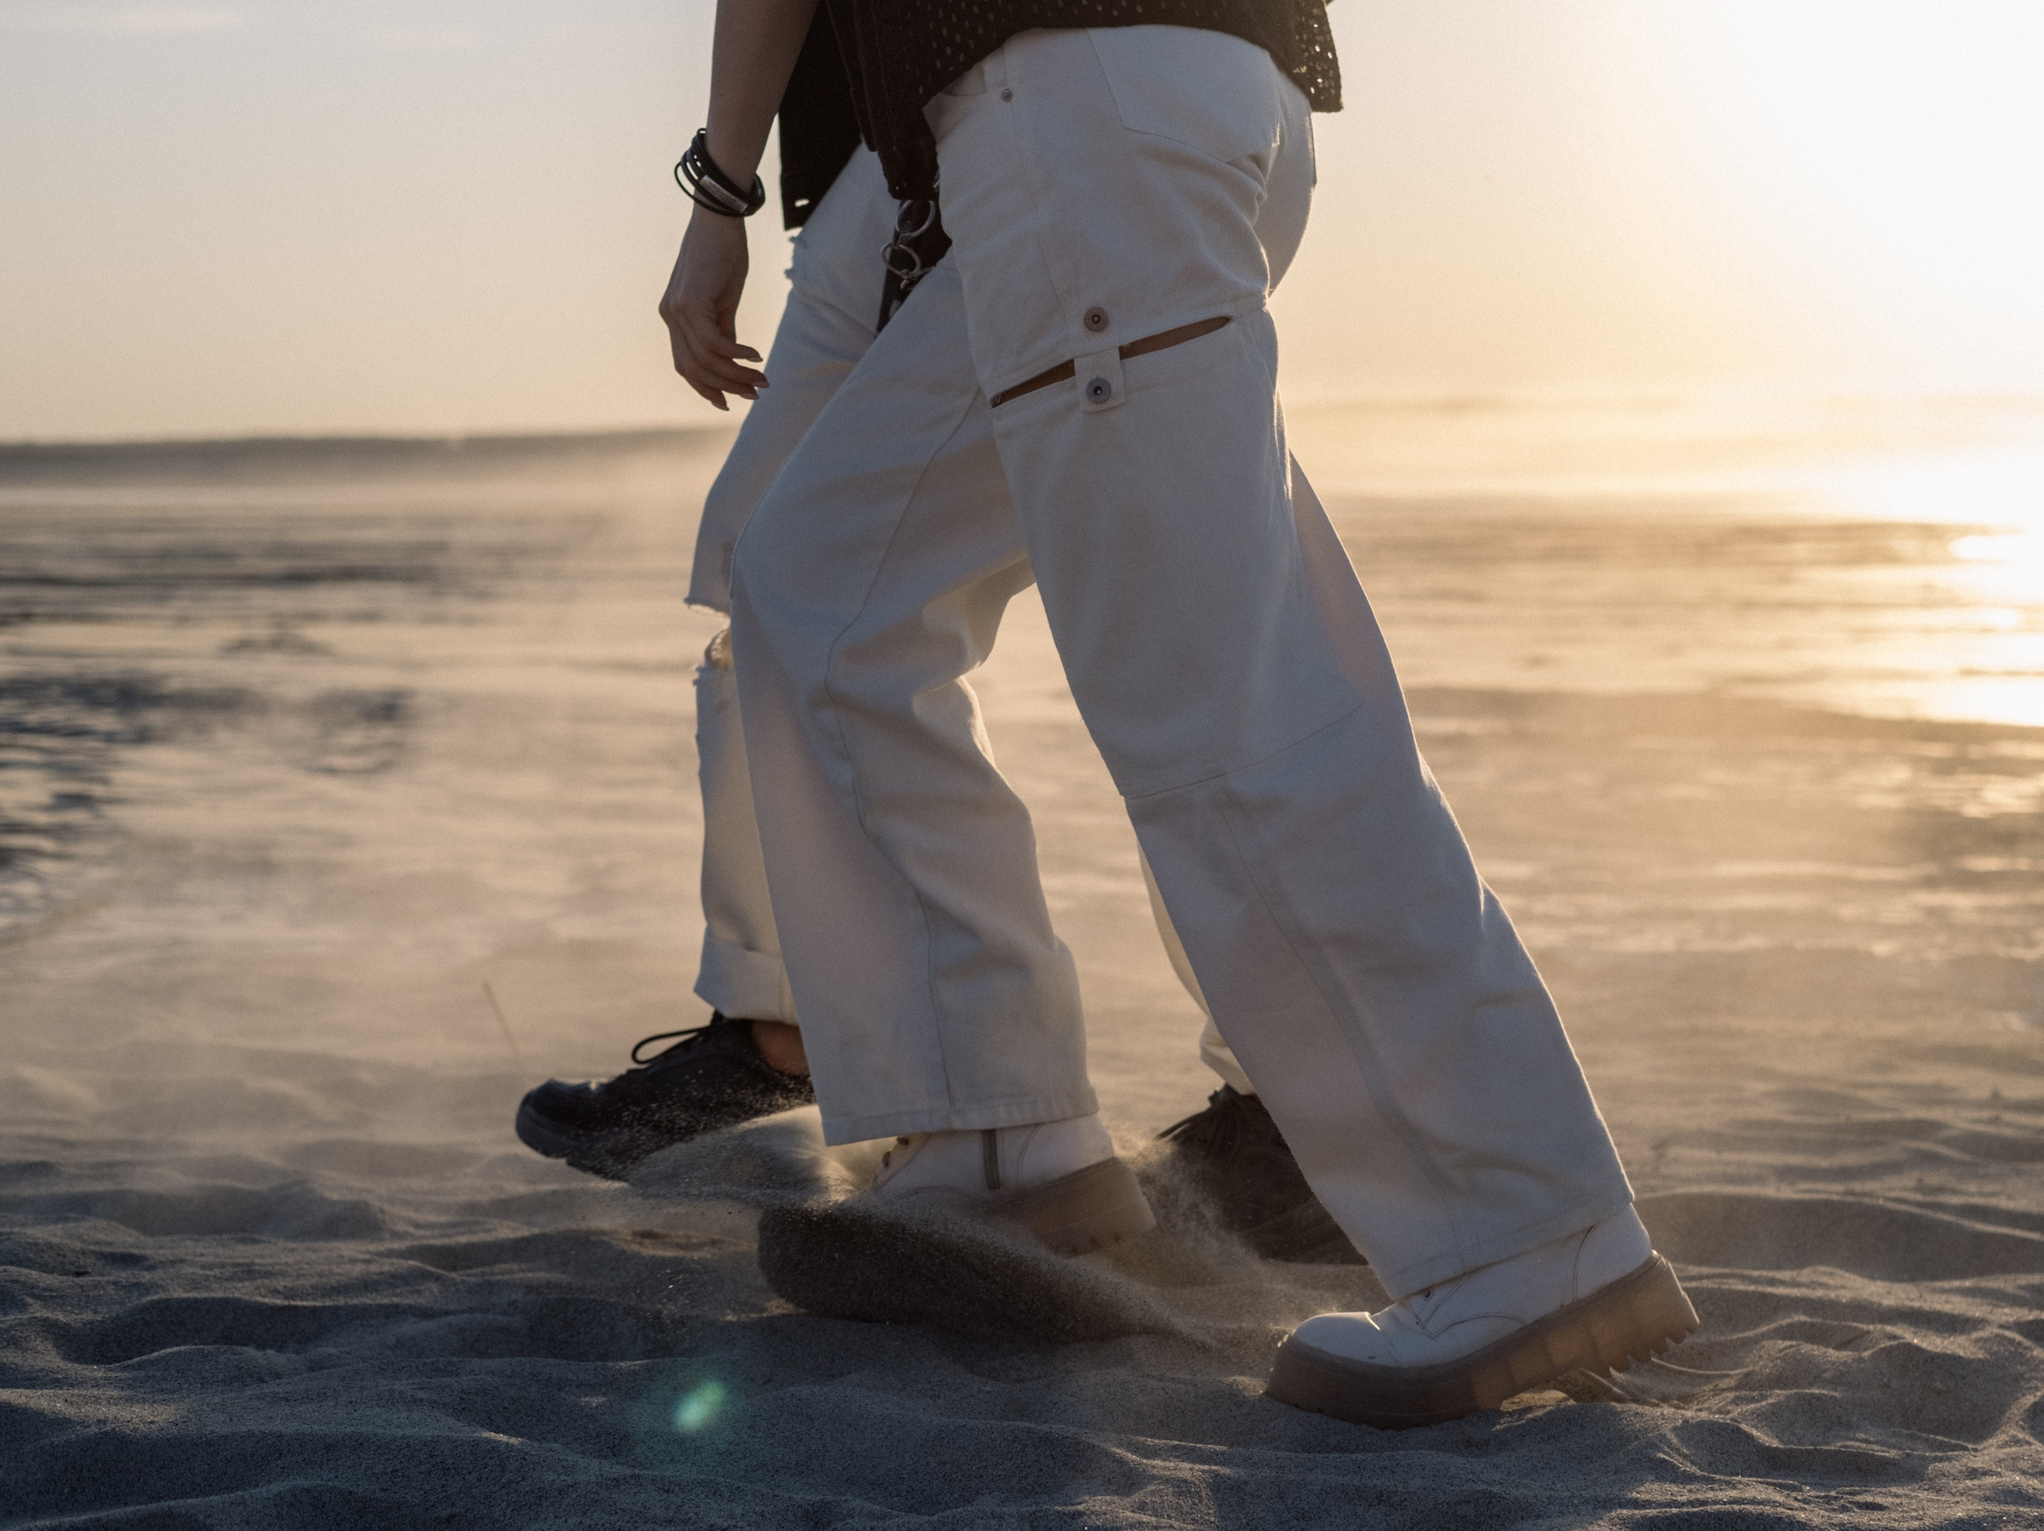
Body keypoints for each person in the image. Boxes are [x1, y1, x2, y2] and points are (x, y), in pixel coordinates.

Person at [657, 0, 1697, 1427]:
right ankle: (996, 1131)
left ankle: (1527, 1232)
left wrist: (722, 189)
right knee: (822, 585)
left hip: (1079, 114)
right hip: (1099, 117)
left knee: (1217, 697)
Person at [514, 11, 1353, 1265]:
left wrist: (719, 191)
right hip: (976, 137)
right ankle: (787, 1016)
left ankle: (1050, 1130)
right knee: (784, 569)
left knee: (1036, 611)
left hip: (1045, 105)